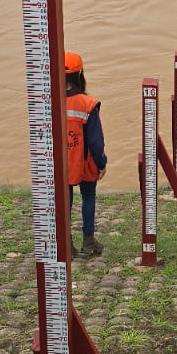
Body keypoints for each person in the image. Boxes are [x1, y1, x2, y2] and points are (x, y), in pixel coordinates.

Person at [65, 51, 107, 257]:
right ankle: (88, 241)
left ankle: (66, 245)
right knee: (88, 196)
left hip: (59, 161)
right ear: (80, 74)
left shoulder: (49, 102)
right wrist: (102, 163)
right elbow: (95, 142)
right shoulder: (87, 104)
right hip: (85, 162)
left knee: (65, 201)